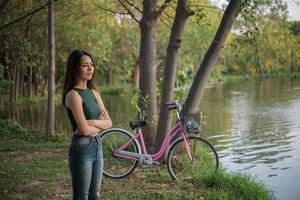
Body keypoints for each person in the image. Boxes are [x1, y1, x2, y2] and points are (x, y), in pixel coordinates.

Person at [62, 50, 112, 200]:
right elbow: (83, 130)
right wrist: (98, 125)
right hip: (81, 148)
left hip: (97, 145)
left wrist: (93, 122)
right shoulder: (73, 95)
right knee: (81, 196)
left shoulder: (94, 93)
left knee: (94, 195)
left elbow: (109, 123)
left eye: (91, 65)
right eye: (85, 65)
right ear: (75, 68)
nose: (90, 69)